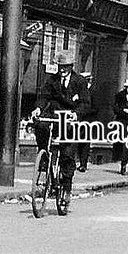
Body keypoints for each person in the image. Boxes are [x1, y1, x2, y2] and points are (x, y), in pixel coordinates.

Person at [30, 52, 92, 190]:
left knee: (67, 155)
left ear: (71, 66)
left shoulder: (80, 81)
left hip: (70, 120)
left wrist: (76, 114)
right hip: (54, 115)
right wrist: (38, 108)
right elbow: (44, 96)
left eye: (65, 67)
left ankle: (66, 187)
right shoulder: (52, 80)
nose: (62, 70)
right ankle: (44, 156)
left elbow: (86, 103)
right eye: (60, 66)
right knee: (40, 125)